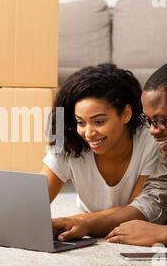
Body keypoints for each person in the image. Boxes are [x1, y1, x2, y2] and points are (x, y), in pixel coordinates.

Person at [53, 60, 167, 255]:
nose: (152, 131)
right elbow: (152, 202)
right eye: (147, 121)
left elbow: (159, 228)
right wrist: (86, 223)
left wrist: (164, 234)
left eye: (160, 121)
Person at [41, 63, 159, 218]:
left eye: (99, 122)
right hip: (91, 210)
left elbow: (137, 211)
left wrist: (77, 220)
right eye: (80, 122)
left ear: (125, 114)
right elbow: (34, 202)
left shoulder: (150, 140)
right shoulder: (69, 142)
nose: (88, 133)